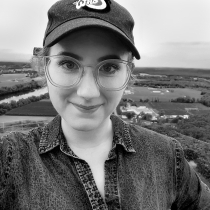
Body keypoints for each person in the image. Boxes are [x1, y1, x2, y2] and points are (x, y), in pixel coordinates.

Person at [0, 0, 210, 209]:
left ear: (128, 74)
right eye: (68, 64)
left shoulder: (166, 155)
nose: (88, 92)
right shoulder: (10, 158)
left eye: (109, 67)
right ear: (45, 66)